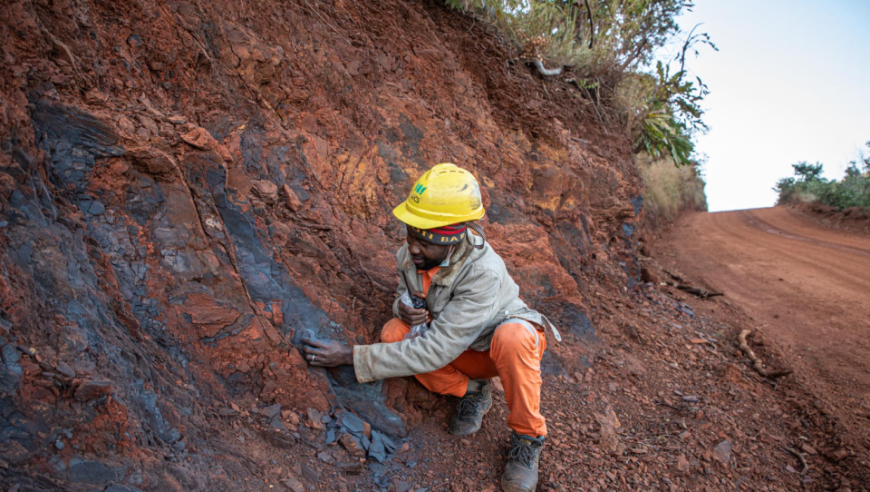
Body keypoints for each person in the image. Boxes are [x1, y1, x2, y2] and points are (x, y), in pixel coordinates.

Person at [302, 163, 559, 492]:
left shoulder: (484, 272)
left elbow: (436, 349)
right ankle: (473, 392)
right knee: (394, 332)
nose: (412, 248)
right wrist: (404, 309)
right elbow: (402, 296)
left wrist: (351, 357)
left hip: (497, 351)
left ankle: (527, 439)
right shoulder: (412, 256)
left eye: (423, 241)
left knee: (515, 336)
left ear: (450, 241)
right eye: (411, 235)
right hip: (456, 345)